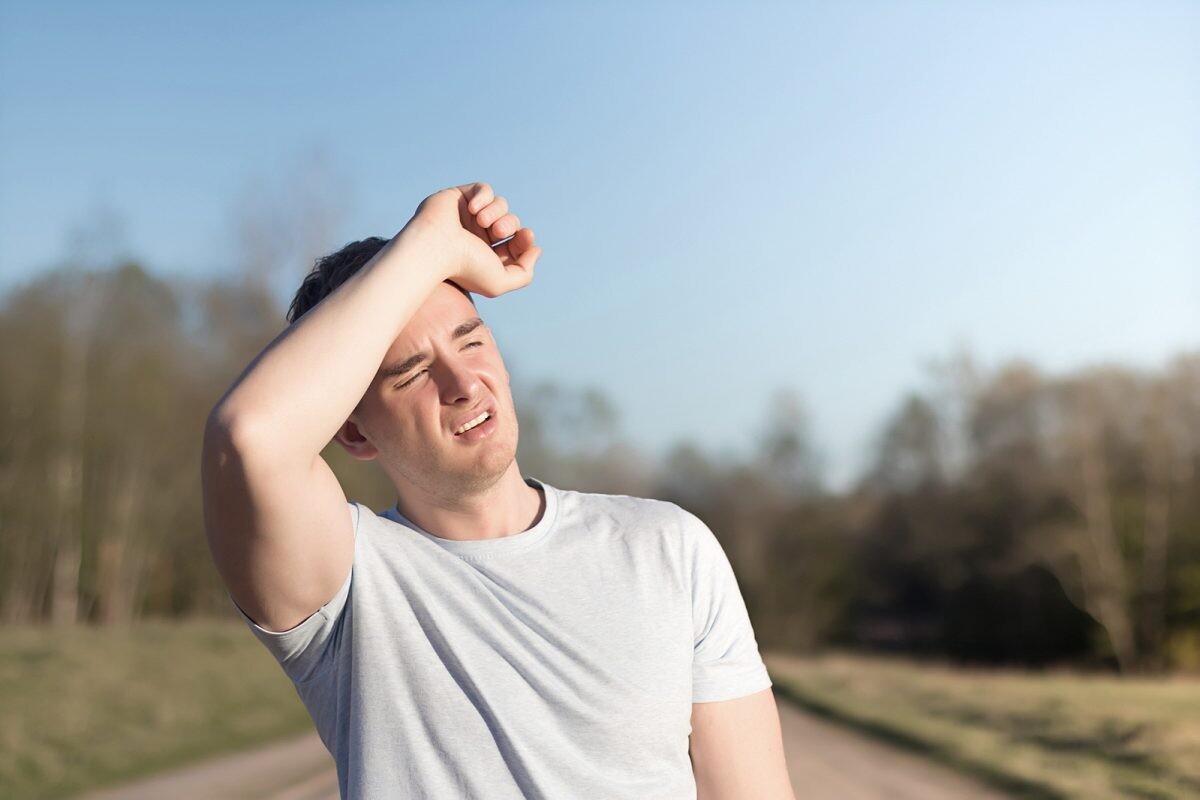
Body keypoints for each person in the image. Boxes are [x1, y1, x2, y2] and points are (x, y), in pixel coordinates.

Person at [201, 182, 795, 799]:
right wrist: (430, 241)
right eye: (414, 375)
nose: (464, 383)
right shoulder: (346, 586)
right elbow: (249, 437)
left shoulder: (670, 547)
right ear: (353, 432)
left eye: (472, 341)